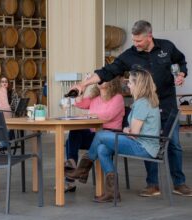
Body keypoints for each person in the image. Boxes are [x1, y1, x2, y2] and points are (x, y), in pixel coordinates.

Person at [68, 20, 192, 196]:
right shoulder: (129, 55)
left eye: (139, 41)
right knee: (148, 139)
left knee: (174, 145)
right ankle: (152, 184)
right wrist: (83, 83)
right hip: (147, 106)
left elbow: (181, 61)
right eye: (133, 40)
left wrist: (181, 74)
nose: (135, 44)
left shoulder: (167, 47)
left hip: (166, 104)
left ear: (149, 36)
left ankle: (179, 183)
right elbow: (107, 71)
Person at [66, 68, 161, 202]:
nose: (128, 85)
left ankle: (82, 169)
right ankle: (112, 192)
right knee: (102, 149)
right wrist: (128, 129)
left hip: (143, 146)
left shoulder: (142, 103)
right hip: (143, 143)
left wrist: (128, 130)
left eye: (131, 83)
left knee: (101, 136)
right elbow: (132, 130)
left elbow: (133, 133)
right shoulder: (144, 101)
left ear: (138, 85)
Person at [65, 77, 125, 192]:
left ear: (112, 81)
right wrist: (84, 86)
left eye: (104, 78)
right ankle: (72, 164)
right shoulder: (95, 98)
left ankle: (71, 179)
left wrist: (89, 115)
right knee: (75, 131)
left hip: (109, 136)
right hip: (93, 135)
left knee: (70, 142)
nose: (100, 80)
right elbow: (79, 103)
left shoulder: (118, 98)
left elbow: (107, 116)